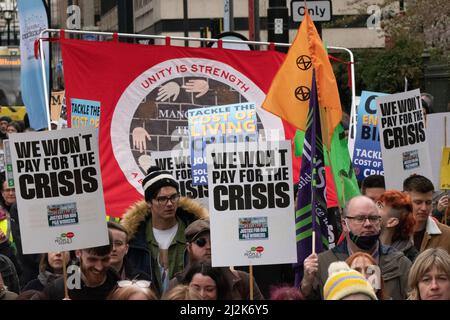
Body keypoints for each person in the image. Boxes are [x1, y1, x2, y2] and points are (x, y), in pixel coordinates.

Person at [300, 195, 411, 300]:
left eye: (373, 218)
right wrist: (306, 285)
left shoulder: (400, 263)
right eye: (360, 218)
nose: (368, 223)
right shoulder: (324, 263)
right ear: (344, 224)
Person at [121, 166, 208, 296]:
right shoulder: (133, 239)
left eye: (174, 197)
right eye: (162, 199)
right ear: (149, 202)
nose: (169, 204)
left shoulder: (198, 235)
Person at [168, 218, 264, 300]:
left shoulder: (244, 281)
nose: (209, 247)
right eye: (201, 242)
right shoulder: (176, 284)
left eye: (214, 241)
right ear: (189, 247)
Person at [44, 231, 120, 300]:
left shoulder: (120, 288)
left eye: (105, 260)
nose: (99, 267)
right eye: (92, 259)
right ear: (78, 252)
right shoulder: (58, 290)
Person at [403, 175, 450, 253]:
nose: (424, 208)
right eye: (418, 202)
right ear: (405, 200)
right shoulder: (393, 233)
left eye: (428, 202)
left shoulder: (447, 235)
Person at [377, 190, 418, 262]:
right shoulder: (363, 245)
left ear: (391, 222)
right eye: (377, 204)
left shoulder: (411, 259)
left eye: (380, 206)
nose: (373, 209)